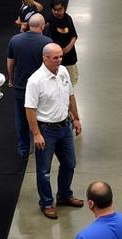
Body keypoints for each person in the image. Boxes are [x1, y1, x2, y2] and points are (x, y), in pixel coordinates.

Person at [25, 43, 83, 219]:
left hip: (65, 127)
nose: (59, 60)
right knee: (44, 171)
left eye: (60, 57)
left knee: (69, 164)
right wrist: (36, 134)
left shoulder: (64, 72)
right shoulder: (35, 81)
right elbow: (30, 109)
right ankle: (47, 203)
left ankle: (64, 195)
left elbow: (70, 96)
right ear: (45, 58)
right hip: (46, 130)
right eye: (55, 57)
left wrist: (77, 117)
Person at [7, 13, 50, 157]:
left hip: (21, 87)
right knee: (42, 116)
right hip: (41, 89)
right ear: (42, 26)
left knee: (21, 118)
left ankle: (23, 148)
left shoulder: (15, 40)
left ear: (28, 25)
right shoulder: (46, 42)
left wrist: (11, 78)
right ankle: (42, 143)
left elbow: (10, 62)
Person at [46, 0, 79, 86]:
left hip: (69, 58)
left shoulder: (68, 19)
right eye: (55, 10)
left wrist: (67, 49)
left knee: (71, 83)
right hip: (55, 59)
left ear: (64, 8)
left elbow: (74, 36)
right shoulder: (50, 20)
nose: (57, 12)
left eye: (60, 9)